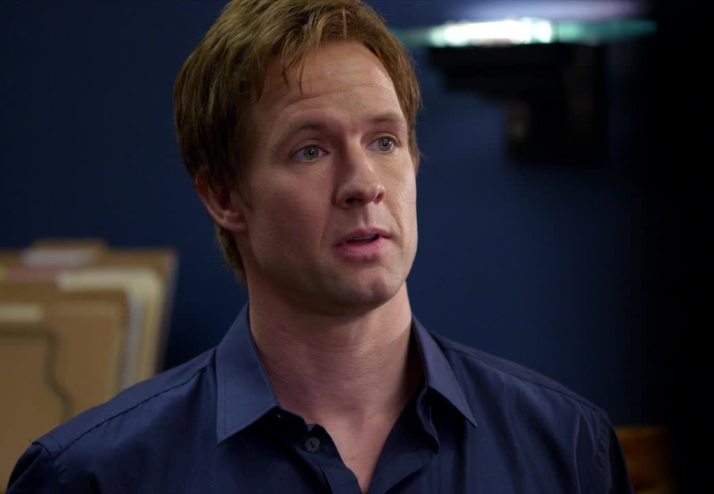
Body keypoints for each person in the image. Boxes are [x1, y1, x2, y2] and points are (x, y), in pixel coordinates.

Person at [7, 0, 634, 492]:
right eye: (311, 150)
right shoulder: (94, 476)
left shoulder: (565, 447)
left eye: (384, 142)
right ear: (224, 196)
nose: (364, 184)